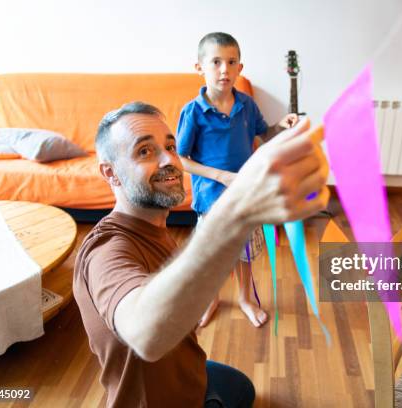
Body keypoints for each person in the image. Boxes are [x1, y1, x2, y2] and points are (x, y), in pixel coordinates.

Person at [73, 101, 328, 407]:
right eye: (145, 151)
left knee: (241, 388)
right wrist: (237, 208)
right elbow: (144, 334)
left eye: (170, 146)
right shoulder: (105, 248)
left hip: (191, 380)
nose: (169, 159)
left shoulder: (154, 224)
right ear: (110, 173)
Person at [177, 32, 298, 327]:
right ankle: (211, 298)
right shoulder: (193, 112)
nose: (224, 70)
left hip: (245, 197)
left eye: (231, 62)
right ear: (199, 67)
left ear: (240, 68)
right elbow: (181, 159)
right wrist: (220, 176)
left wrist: (281, 126)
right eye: (216, 62)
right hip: (211, 200)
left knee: (243, 255)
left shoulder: (246, 105)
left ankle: (245, 298)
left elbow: (262, 135)